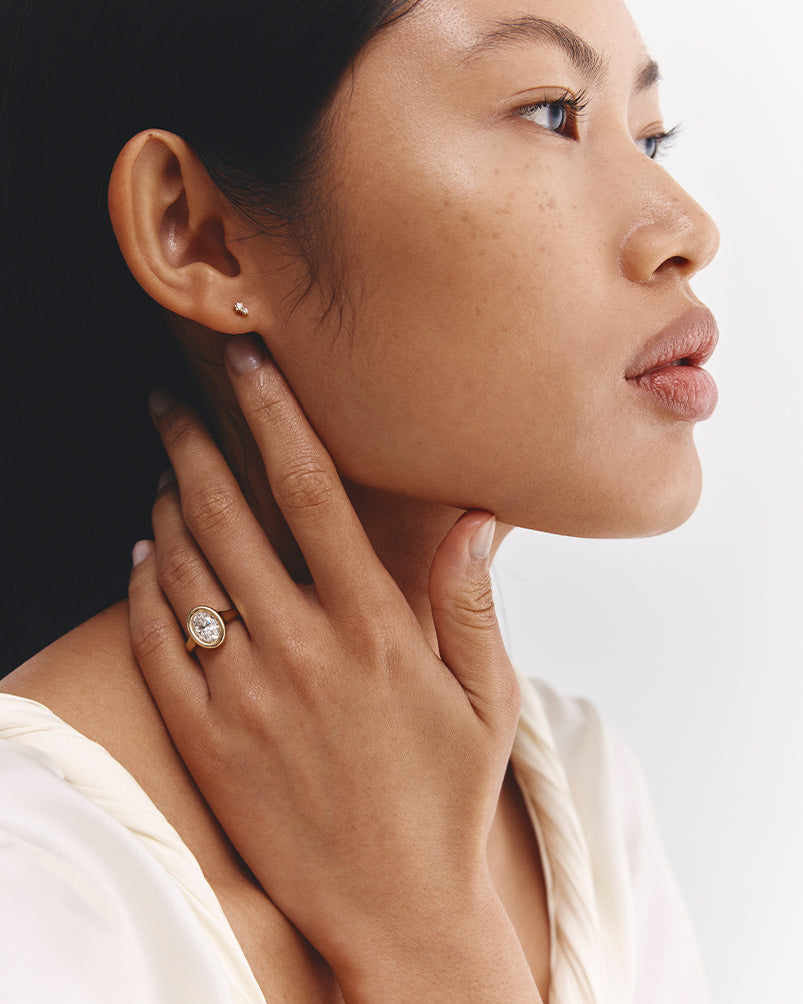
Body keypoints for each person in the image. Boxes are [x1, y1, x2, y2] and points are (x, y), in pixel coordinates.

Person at [0, 0, 719, 1000]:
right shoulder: (29, 874)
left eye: (649, 135)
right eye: (551, 112)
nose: (687, 228)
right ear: (195, 233)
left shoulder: (581, 796)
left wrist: (426, 928)